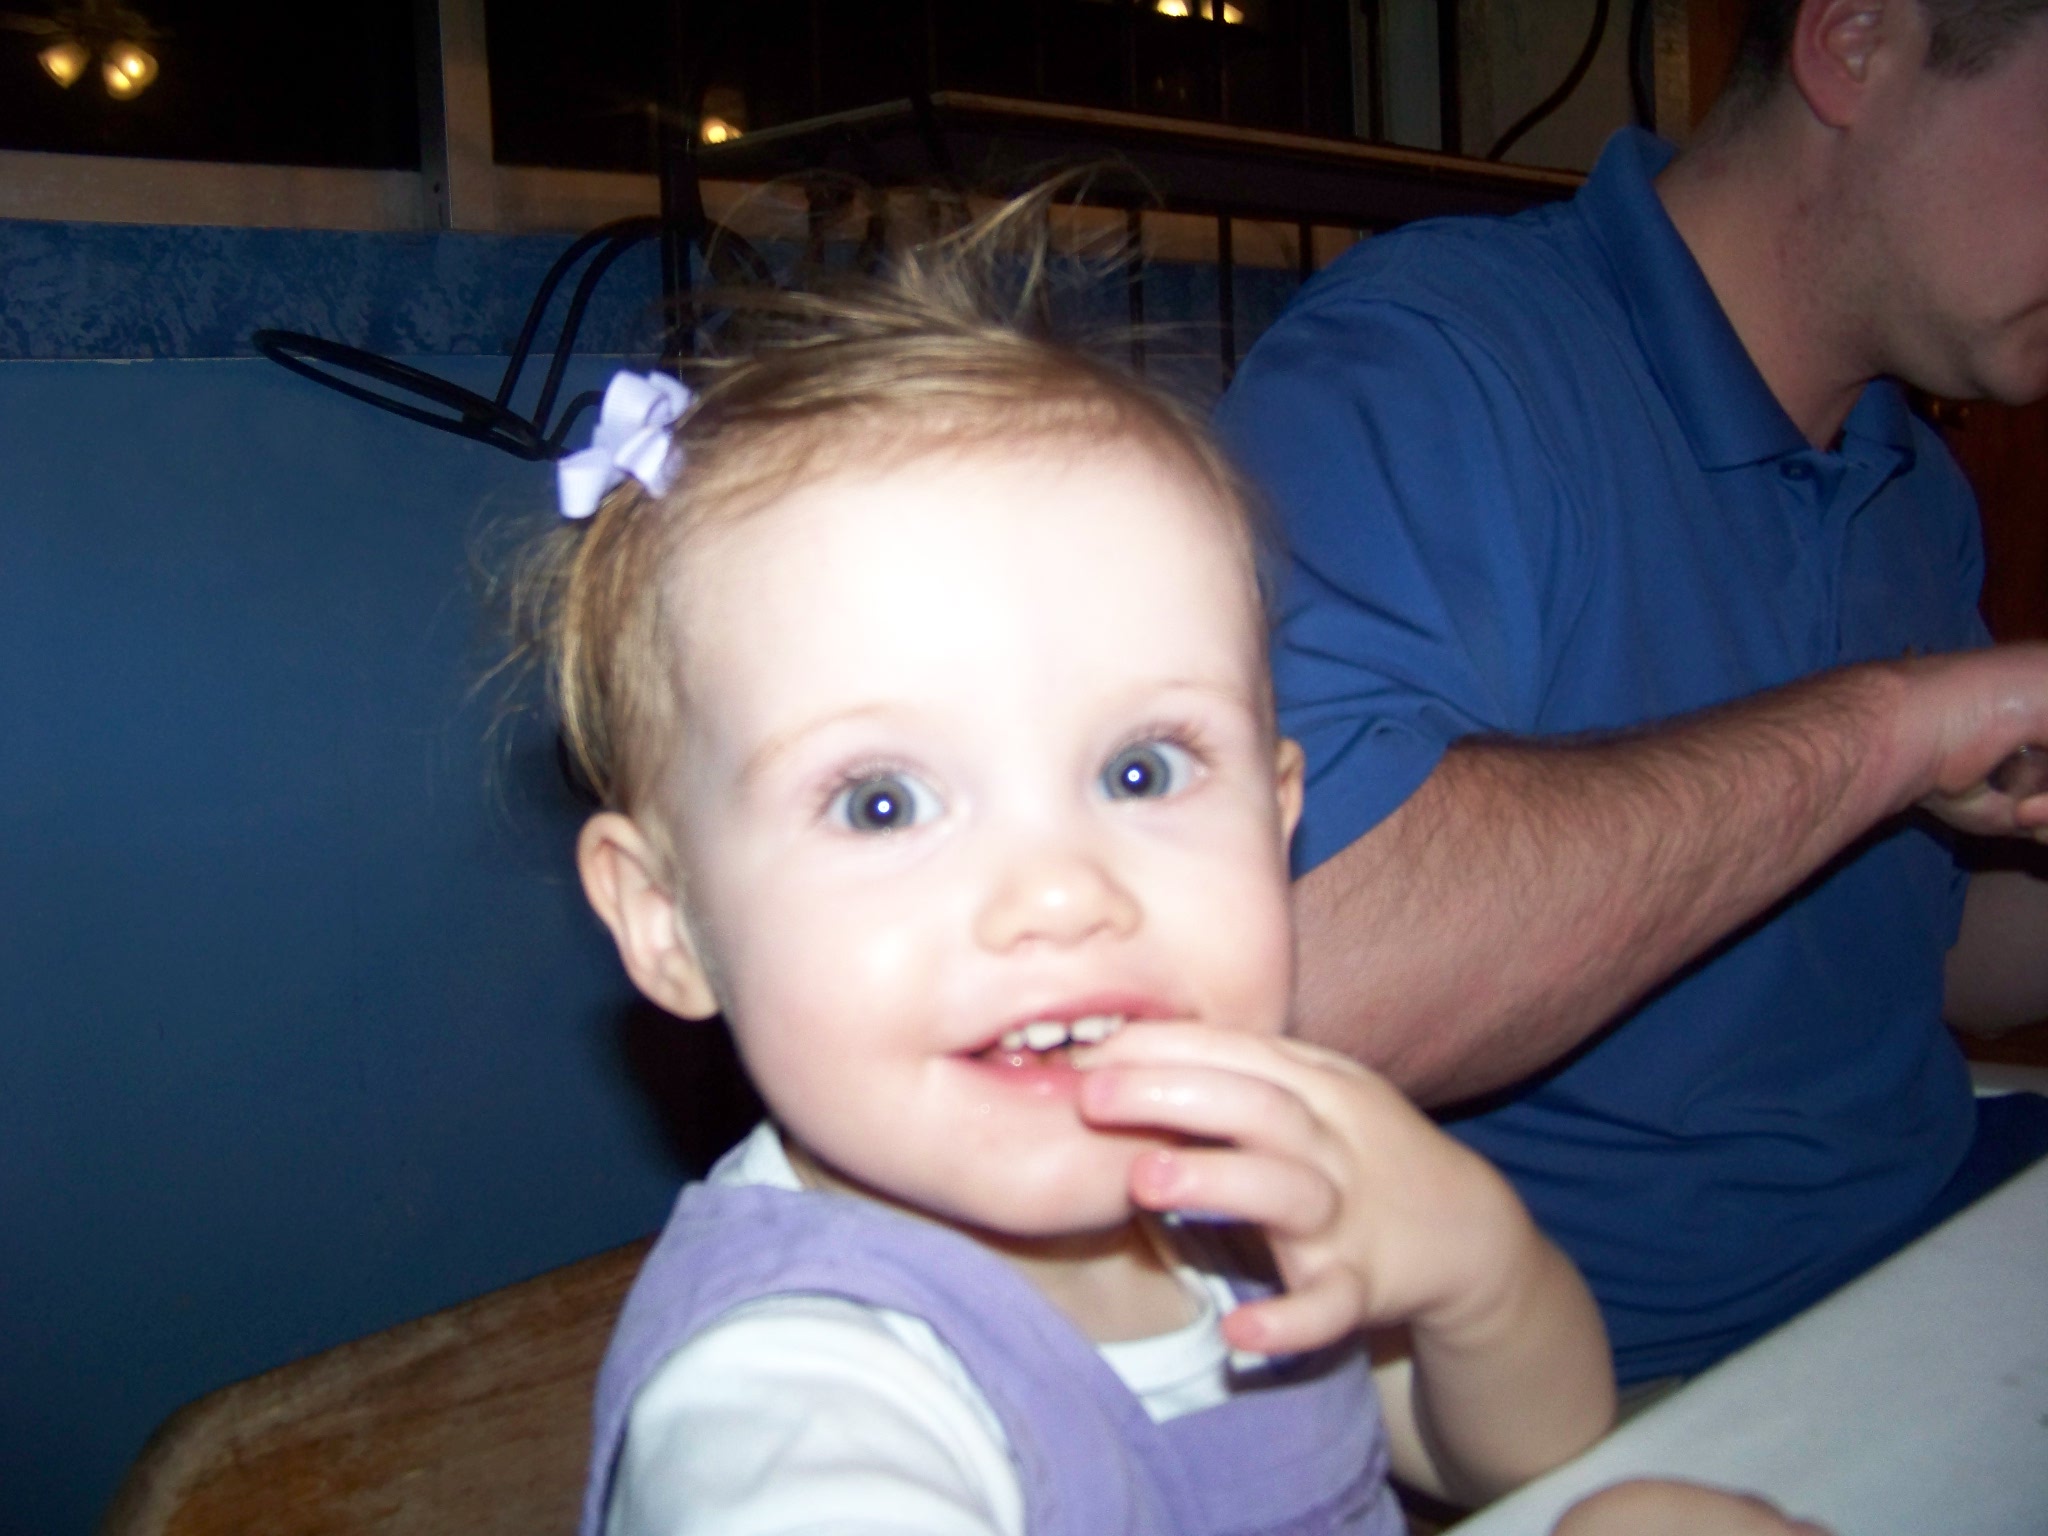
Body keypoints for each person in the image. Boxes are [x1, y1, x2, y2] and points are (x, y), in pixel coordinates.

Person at [512, 194, 1819, 1536]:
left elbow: (1507, 1456)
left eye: (1140, 771)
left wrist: (1477, 1273)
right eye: (883, 803)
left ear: (1278, 815)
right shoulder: (795, 1406)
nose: (1062, 891)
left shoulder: (1220, 1182)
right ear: (667, 919)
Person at [1214, 0, 2048, 1389]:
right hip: (1605, 1379)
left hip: (1931, 1239)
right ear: (1855, 41)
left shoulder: (1916, 483)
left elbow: (1912, 955)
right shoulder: (1432, 362)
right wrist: (1901, 727)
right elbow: (1306, 971)